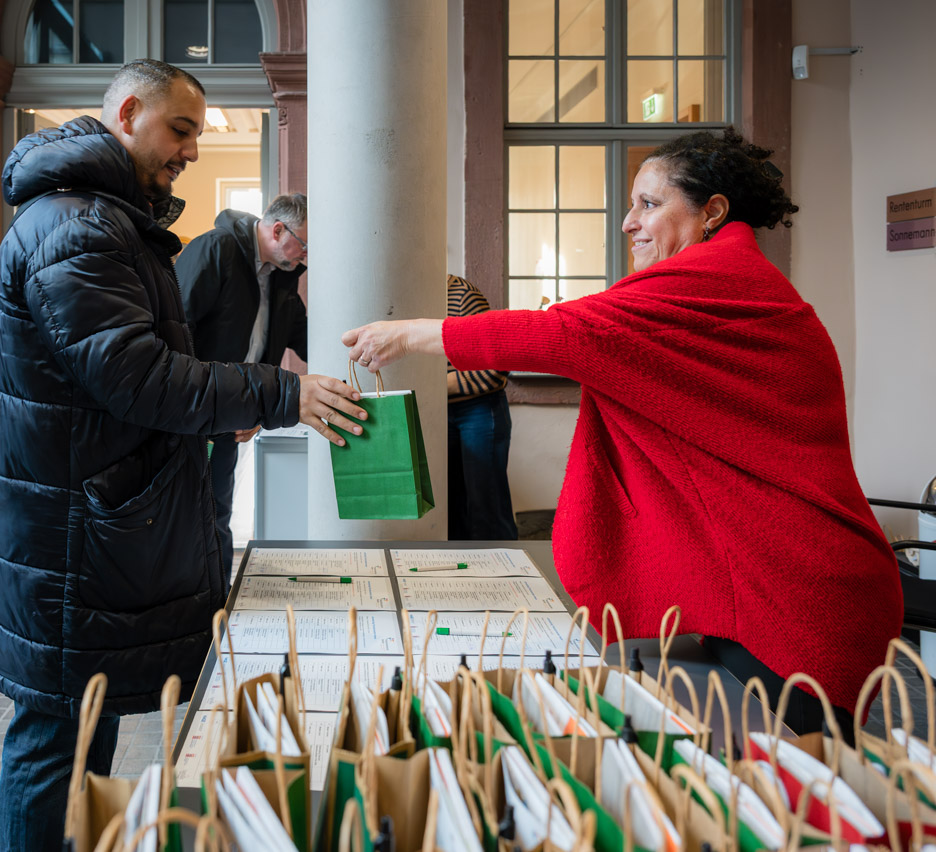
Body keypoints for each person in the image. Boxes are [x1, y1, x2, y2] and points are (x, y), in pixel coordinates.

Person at [343, 127, 901, 735]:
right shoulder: (728, 279)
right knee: (762, 766)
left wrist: (410, 335)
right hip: (778, 575)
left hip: (798, 593)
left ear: (712, 211)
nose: (629, 222)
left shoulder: (712, 281)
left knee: (794, 779)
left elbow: (565, 333)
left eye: (649, 204)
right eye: (632, 204)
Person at [0, 59, 366, 851]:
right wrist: (276, 395)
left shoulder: (104, 220)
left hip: (84, 525)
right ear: (126, 113)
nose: (191, 150)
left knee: (81, 730)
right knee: (57, 743)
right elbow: (137, 375)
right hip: (68, 537)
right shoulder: (78, 228)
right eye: (180, 130)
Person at [177, 193, 310, 559]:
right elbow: (176, 327)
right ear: (278, 230)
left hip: (229, 417)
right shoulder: (217, 249)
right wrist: (189, 405)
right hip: (189, 414)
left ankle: (218, 596)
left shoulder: (282, 279)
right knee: (184, 520)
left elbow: (304, 339)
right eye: (303, 245)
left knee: (216, 516)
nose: (305, 256)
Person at [445, 274, 518, 541]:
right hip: (440, 410)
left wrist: (435, 385)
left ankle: (506, 564)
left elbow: (495, 368)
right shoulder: (412, 296)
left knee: (487, 506)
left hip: (478, 410)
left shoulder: (463, 296)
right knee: (451, 509)